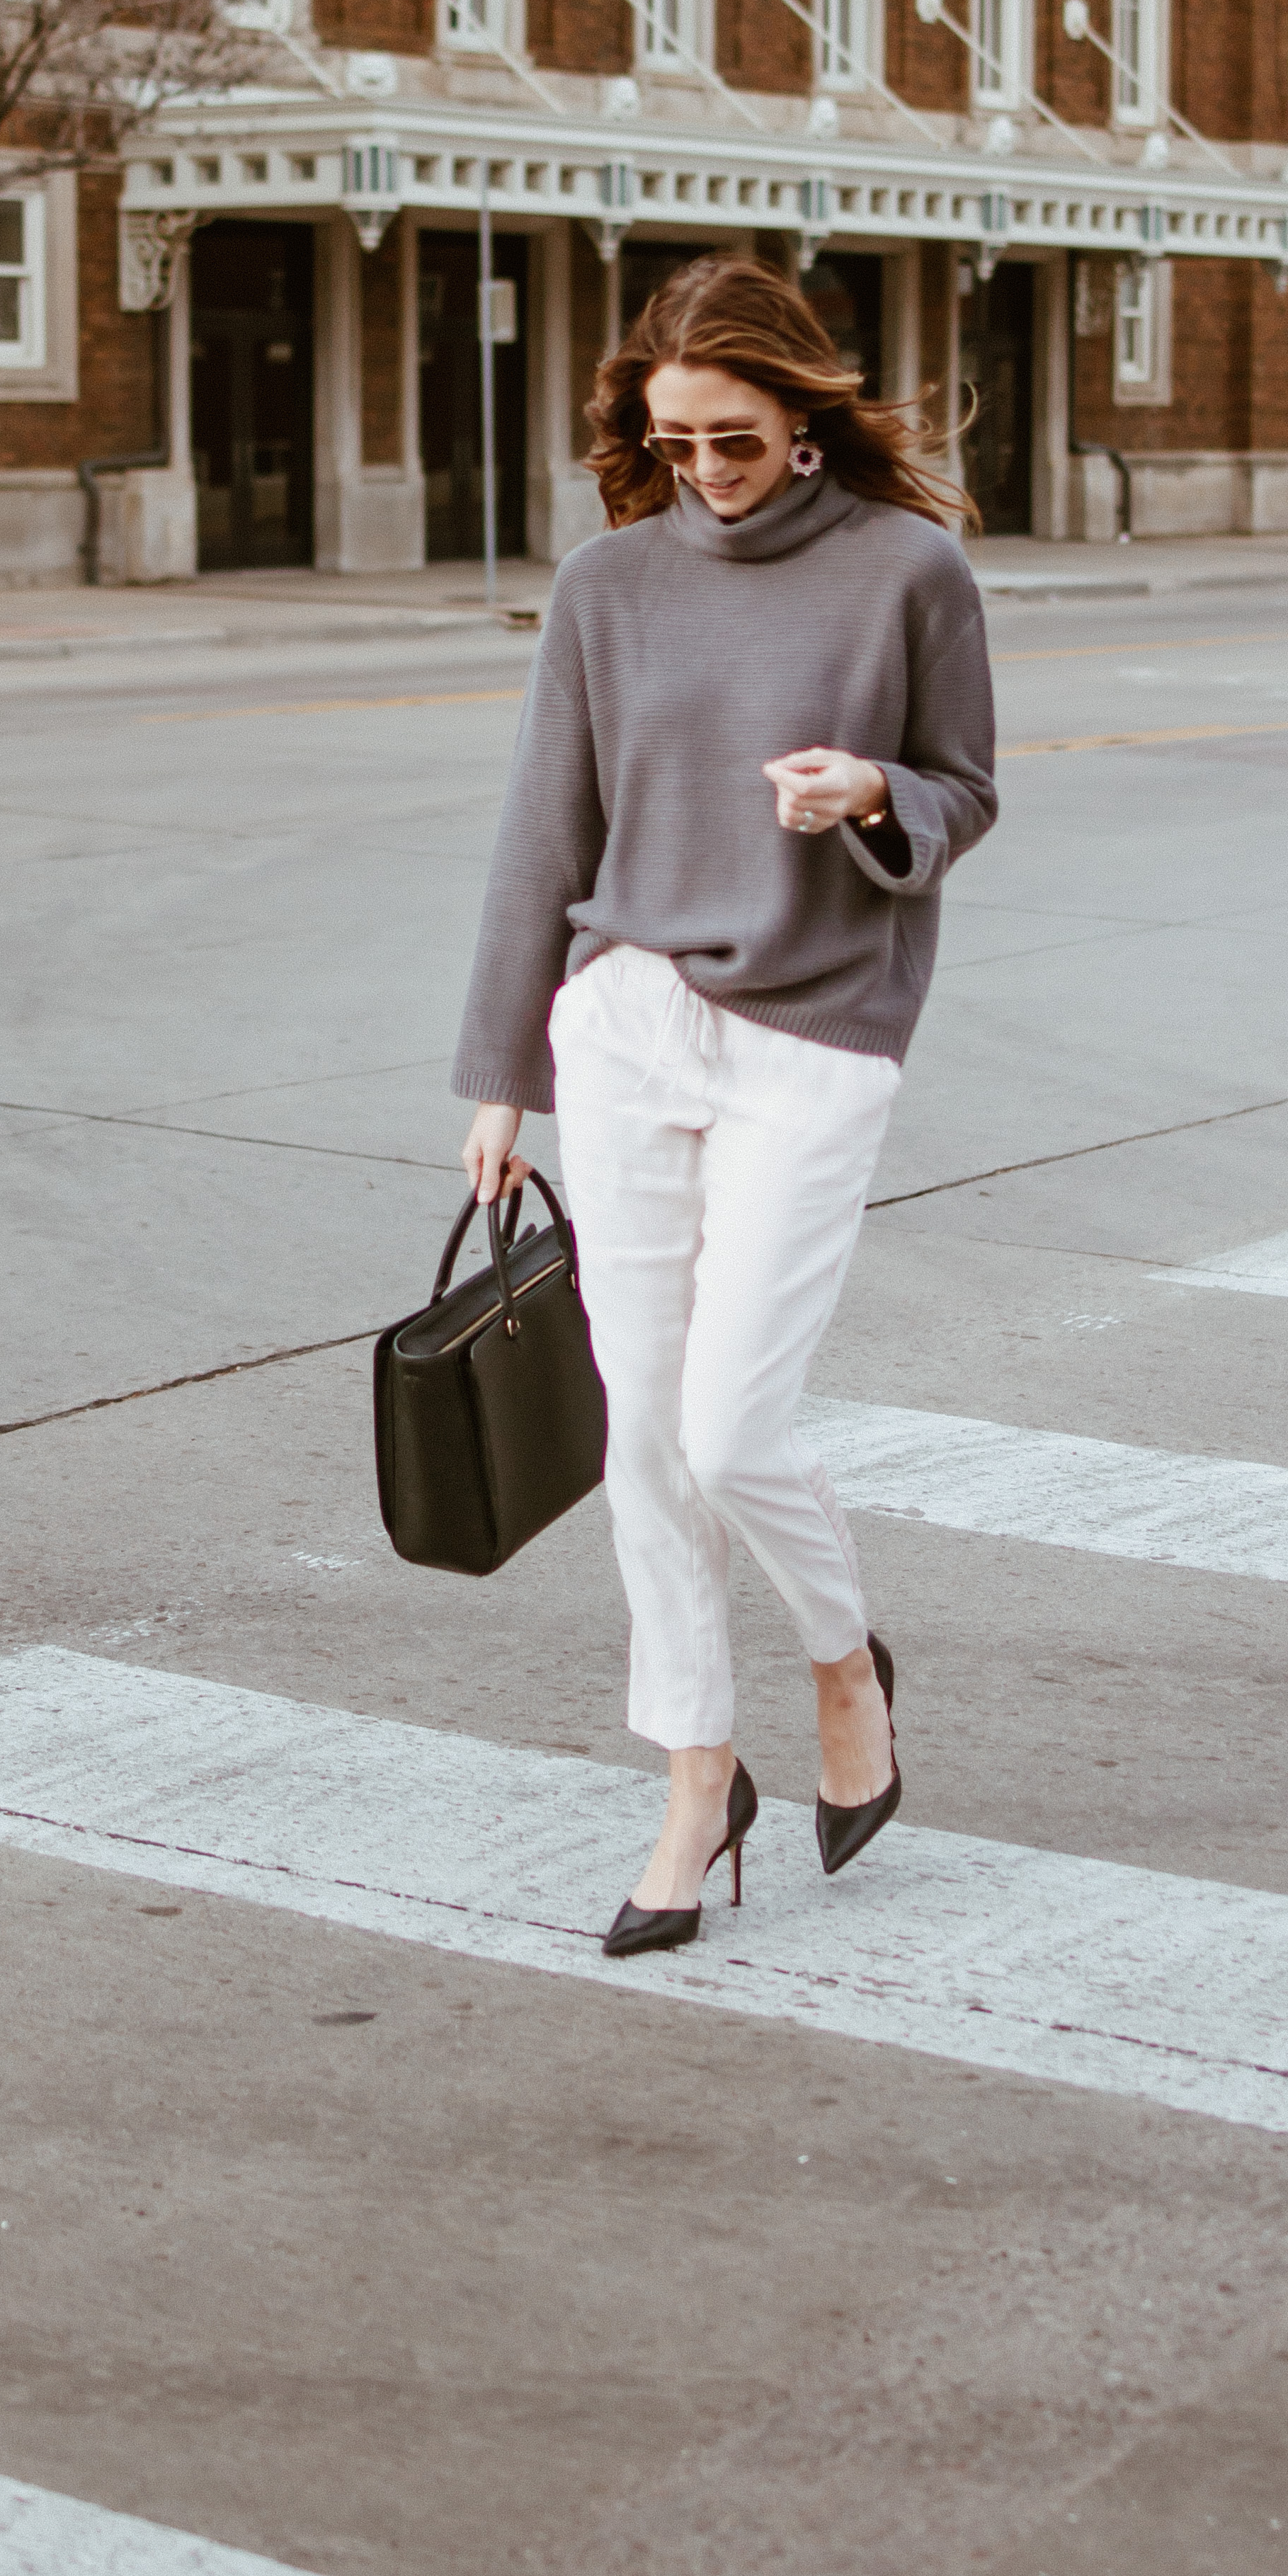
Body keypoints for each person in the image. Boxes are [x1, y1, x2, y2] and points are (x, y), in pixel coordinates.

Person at [451, 253, 998, 1956]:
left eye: (735, 439)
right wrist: (500, 1075)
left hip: (818, 1029)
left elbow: (968, 790)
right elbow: (546, 831)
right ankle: (697, 1772)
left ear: (804, 418)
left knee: (733, 1429)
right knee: (642, 1438)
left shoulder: (909, 573)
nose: (703, 468)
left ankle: (846, 1664)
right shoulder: (607, 586)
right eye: (675, 441)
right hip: (627, 1021)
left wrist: (872, 793)